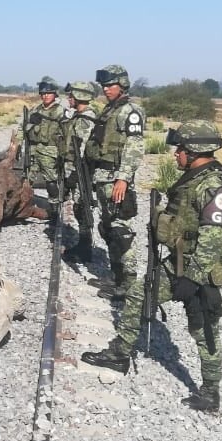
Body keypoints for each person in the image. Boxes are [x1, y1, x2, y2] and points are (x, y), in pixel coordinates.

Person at [83, 120, 222, 416]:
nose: (176, 153)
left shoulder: (213, 185)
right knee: (138, 294)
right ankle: (120, 354)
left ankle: (209, 391)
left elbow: (213, 238)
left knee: (203, 328)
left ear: (196, 150)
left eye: (181, 148)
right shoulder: (195, 177)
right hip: (177, 261)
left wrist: (192, 280)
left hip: (200, 269)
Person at [80, 65, 145, 298]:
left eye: (111, 85)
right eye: (104, 86)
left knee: (120, 231)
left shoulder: (131, 111)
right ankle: (117, 277)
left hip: (116, 179)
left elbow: (135, 147)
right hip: (102, 177)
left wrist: (123, 179)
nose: (106, 89)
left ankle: (128, 283)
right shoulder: (109, 110)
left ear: (123, 85)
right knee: (107, 228)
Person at [60, 80, 98, 264]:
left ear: (80, 96)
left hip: (81, 172)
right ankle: (84, 244)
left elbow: (81, 150)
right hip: (75, 170)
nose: (68, 98)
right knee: (78, 207)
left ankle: (85, 246)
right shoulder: (78, 117)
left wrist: (74, 175)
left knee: (82, 208)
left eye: (71, 95)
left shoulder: (85, 120)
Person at [23, 76, 66, 215]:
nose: (46, 96)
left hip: (51, 151)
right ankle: (23, 204)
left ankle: (54, 210)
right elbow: (23, 128)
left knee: (51, 182)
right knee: (27, 179)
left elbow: (67, 132)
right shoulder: (35, 110)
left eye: (49, 93)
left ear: (55, 94)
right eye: (43, 93)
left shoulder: (60, 111)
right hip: (34, 150)